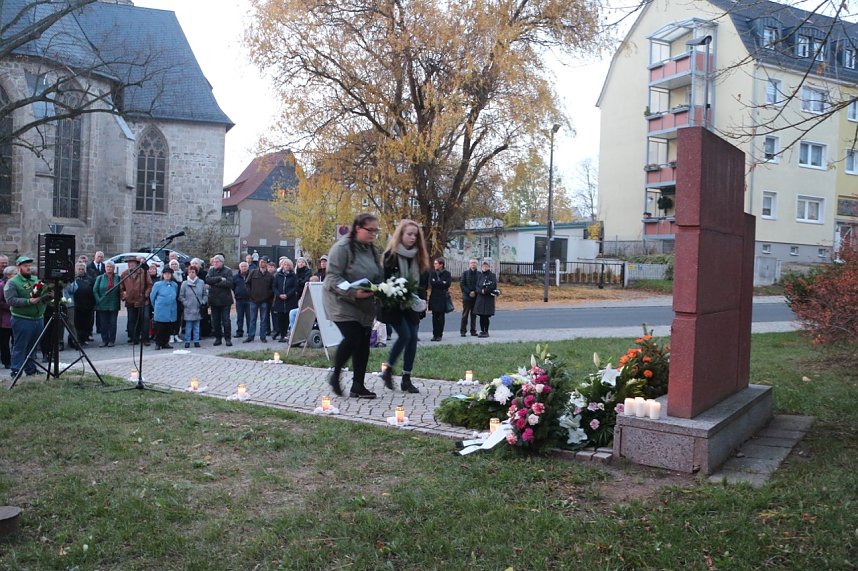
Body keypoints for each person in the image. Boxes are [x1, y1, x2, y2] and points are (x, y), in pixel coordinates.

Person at [323, 212, 384, 399]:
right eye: (370, 230)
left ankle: (358, 385)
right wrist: (352, 292)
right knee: (353, 336)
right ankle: (335, 375)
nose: (373, 234)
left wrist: (382, 287)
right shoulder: (342, 248)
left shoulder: (372, 250)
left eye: (376, 230)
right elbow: (333, 277)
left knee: (364, 341)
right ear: (358, 228)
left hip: (364, 301)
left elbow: (378, 273)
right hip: (340, 300)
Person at [379, 219, 430, 394]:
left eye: (415, 235)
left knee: (413, 338)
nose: (412, 238)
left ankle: (406, 378)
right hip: (394, 304)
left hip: (412, 304)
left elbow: (423, 283)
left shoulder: (419, 257)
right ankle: (387, 370)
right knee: (405, 335)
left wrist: (422, 303)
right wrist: (399, 293)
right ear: (401, 235)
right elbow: (385, 282)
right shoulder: (390, 256)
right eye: (409, 234)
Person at [4, 256, 50, 377]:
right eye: (25, 266)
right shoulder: (13, 282)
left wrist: (49, 296)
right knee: (20, 346)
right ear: (19, 267)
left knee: (33, 346)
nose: (28, 268)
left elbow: (43, 294)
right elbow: (11, 300)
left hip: (38, 318)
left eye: (29, 265)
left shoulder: (36, 279)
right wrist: (28, 301)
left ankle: (30, 369)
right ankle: (16, 370)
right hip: (22, 319)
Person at [119, 256, 152, 345]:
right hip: (130, 301)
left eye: (132, 262)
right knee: (132, 321)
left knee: (145, 320)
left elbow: (149, 284)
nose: (130, 264)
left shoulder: (143, 272)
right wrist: (123, 295)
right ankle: (134, 339)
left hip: (143, 300)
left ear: (137, 263)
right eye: (129, 263)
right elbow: (121, 287)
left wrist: (146, 294)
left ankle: (145, 339)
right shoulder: (124, 274)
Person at [205, 254, 234, 347]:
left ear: (222, 262)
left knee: (226, 321)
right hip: (213, 300)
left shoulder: (228, 270)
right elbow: (208, 280)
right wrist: (219, 279)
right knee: (215, 321)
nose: (215, 263)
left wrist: (215, 283)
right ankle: (218, 338)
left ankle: (228, 339)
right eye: (214, 262)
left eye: (217, 262)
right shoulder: (211, 270)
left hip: (225, 300)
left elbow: (229, 283)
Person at [244, 256, 274, 343]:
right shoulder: (253, 272)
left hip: (264, 301)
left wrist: (267, 296)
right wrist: (250, 294)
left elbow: (272, 288)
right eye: (260, 261)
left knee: (263, 319)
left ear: (267, 264)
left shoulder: (270, 276)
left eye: (264, 262)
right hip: (253, 300)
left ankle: (263, 336)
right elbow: (247, 284)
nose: (261, 263)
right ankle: (251, 336)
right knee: (252, 319)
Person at [149, 266, 179, 350]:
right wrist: (156, 306)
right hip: (161, 310)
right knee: (160, 328)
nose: (167, 275)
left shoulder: (174, 285)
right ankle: (158, 343)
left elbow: (175, 295)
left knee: (169, 328)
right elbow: (152, 297)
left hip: (171, 310)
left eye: (169, 274)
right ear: (163, 275)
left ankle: (166, 343)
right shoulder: (158, 284)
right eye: (166, 274)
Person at [93, 261, 120, 347]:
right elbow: (95, 290)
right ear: (105, 268)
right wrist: (98, 300)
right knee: (103, 323)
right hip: (102, 303)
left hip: (113, 304)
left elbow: (121, 289)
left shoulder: (117, 278)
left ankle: (112, 340)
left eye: (111, 267)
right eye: (107, 266)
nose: (109, 268)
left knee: (113, 323)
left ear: (113, 268)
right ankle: (104, 340)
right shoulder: (100, 278)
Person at [179, 264, 207, 348]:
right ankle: (187, 341)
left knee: (197, 326)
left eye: (193, 272)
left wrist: (203, 302)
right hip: (188, 307)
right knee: (188, 326)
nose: (191, 273)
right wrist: (185, 303)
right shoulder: (184, 283)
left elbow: (205, 294)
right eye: (190, 272)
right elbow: (181, 296)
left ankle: (196, 341)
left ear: (196, 273)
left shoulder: (201, 282)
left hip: (198, 307)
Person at [69, 262, 96, 346]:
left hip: (88, 305)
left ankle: (84, 339)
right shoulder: (72, 279)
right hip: (76, 305)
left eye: (82, 269)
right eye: (79, 269)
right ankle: (74, 340)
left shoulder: (90, 279)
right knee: (76, 324)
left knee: (86, 324)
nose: (81, 271)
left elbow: (93, 291)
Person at [272, 257, 298, 341]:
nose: (286, 266)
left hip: (290, 300)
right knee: (280, 318)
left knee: (288, 318)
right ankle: (282, 335)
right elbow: (274, 286)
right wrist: (279, 294)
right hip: (279, 300)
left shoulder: (293, 276)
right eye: (284, 264)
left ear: (290, 266)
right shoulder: (278, 275)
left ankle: (288, 335)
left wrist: (287, 295)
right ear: (282, 266)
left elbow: (295, 287)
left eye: (288, 265)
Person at [428, 257, 452, 342]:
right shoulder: (433, 273)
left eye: (436, 263)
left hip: (442, 297)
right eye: (434, 263)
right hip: (434, 297)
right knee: (434, 317)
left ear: (441, 264)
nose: (434, 265)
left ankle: (439, 334)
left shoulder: (447, 273)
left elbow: (447, 284)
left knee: (441, 317)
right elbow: (432, 283)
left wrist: (440, 283)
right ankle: (434, 334)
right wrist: (442, 282)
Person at [475, 259, 498, 337]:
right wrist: (480, 291)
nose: (484, 268)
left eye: (486, 266)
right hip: (480, 299)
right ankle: (482, 330)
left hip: (488, 298)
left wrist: (485, 290)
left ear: (489, 267)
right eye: (483, 266)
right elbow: (477, 286)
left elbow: (493, 285)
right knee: (481, 315)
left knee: (486, 316)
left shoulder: (492, 275)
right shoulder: (480, 275)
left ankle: (486, 331)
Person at [0, 265, 16, 368]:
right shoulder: (1, 285)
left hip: (16, 317)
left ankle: (16, 360)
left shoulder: (17, 284)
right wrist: (11, 306)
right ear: (8, 275)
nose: (17, 275)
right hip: (4, 318)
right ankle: (7, 361)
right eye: (15, 274)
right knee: (4, 342)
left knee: (16, 341)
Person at [460, 258, 479, 337]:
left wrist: (475, 292)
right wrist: (469, 292)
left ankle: (473, 331)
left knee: (474, 315)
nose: (473, 264)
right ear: (469, 264)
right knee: (465, 315)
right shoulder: (465, 273)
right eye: (472, 263)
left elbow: (480, 285)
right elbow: (462, 284)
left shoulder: (479, 274)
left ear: (477, 264)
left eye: (474, 263)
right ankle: (463, 331)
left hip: (476, 297)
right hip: (466, 297)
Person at [233, 261, 251, 338]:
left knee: (249, 317)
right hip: (239, 300)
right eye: (242, 266)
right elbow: (233, 287)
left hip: (249, 299)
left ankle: (250, 332)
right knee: (239, 317)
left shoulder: (251, 276)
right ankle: (239, 332)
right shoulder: (235, 277)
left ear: (248, 267)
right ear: (240, 268)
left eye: (245, 266)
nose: (244, 268)